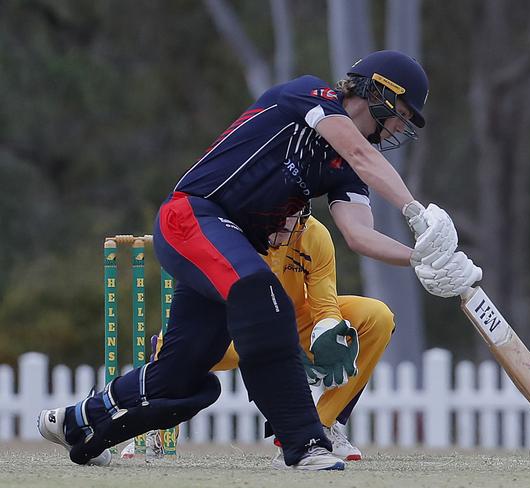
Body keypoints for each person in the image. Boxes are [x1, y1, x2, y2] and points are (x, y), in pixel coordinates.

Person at [38, 50, 482, 470]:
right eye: (401, 114)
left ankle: (76, 421)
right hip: (192, 216)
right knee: (262, 291)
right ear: (378, 93)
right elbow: (364, 157)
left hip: (229, 254)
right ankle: (303, 442)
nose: (398, 129)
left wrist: (421, 259)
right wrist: (418, 214)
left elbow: (359, 234)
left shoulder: (344, 165)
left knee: (180, 377)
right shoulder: (311, 95)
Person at [121, 205, 394, 463]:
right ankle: (154, 427)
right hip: (229, 327)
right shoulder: (236, 229)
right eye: (281, 213)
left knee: (377, 316)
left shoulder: (314, 234)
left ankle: (320, 425)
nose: (287, 224)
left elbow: (325, 304)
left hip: (294, 321)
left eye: (295, 215)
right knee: (170, 344)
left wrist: (328, 333)